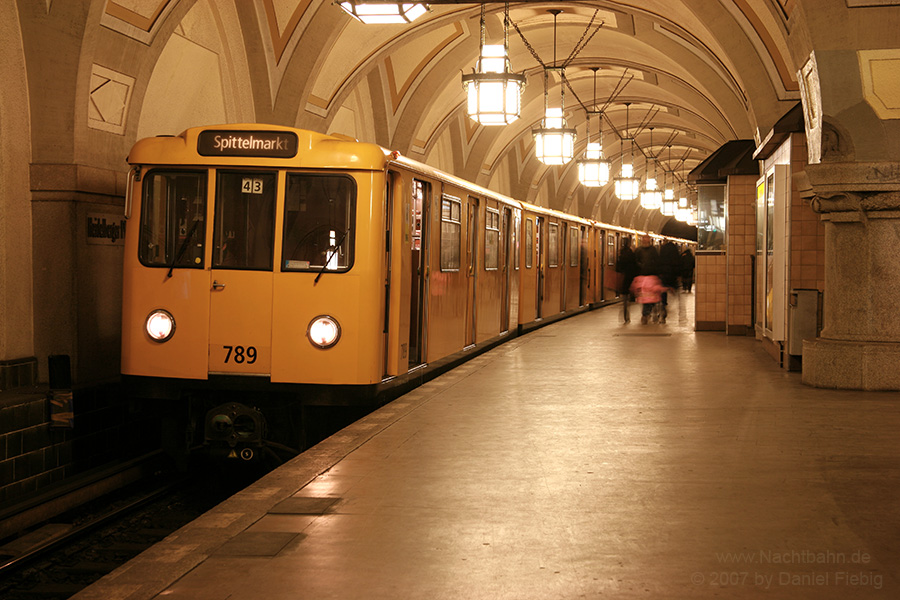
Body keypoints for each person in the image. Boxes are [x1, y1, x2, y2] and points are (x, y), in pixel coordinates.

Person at [632, 235, 660, 324]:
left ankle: (648, 313)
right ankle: (646, 313)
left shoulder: (653, 250)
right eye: (644, 239)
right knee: (645, 297)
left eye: (646, 239)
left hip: (652, 276)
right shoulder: (639, 250)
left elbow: (656, 262)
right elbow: (635, 262)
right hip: (642, 277)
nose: (645, 241)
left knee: (650, 297)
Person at [615, 238, 638, 323]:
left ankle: (625, 314)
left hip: (623, 278)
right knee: (629, 297)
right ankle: (627, 315)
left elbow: (618, 267)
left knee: (624, 297)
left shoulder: (620, 254)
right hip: (630, 278)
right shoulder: (631, 253)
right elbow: (634, 266)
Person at [657, 240, 680, 323]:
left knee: (663, 292)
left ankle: (663, 306)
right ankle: (667, 307)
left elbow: (658, 262)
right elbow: (678, 264)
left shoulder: (662, 252)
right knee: (674, 292)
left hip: (663, 275)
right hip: (672, 276)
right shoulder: (675, 253)